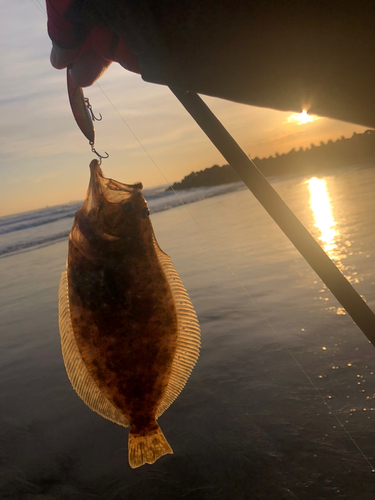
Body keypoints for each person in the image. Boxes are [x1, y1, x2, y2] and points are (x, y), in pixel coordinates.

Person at [46, 0, 139, 87]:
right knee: (79, 73)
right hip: (134, 45)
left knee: (63, 64)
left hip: (131, 46)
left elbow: (64, 58)